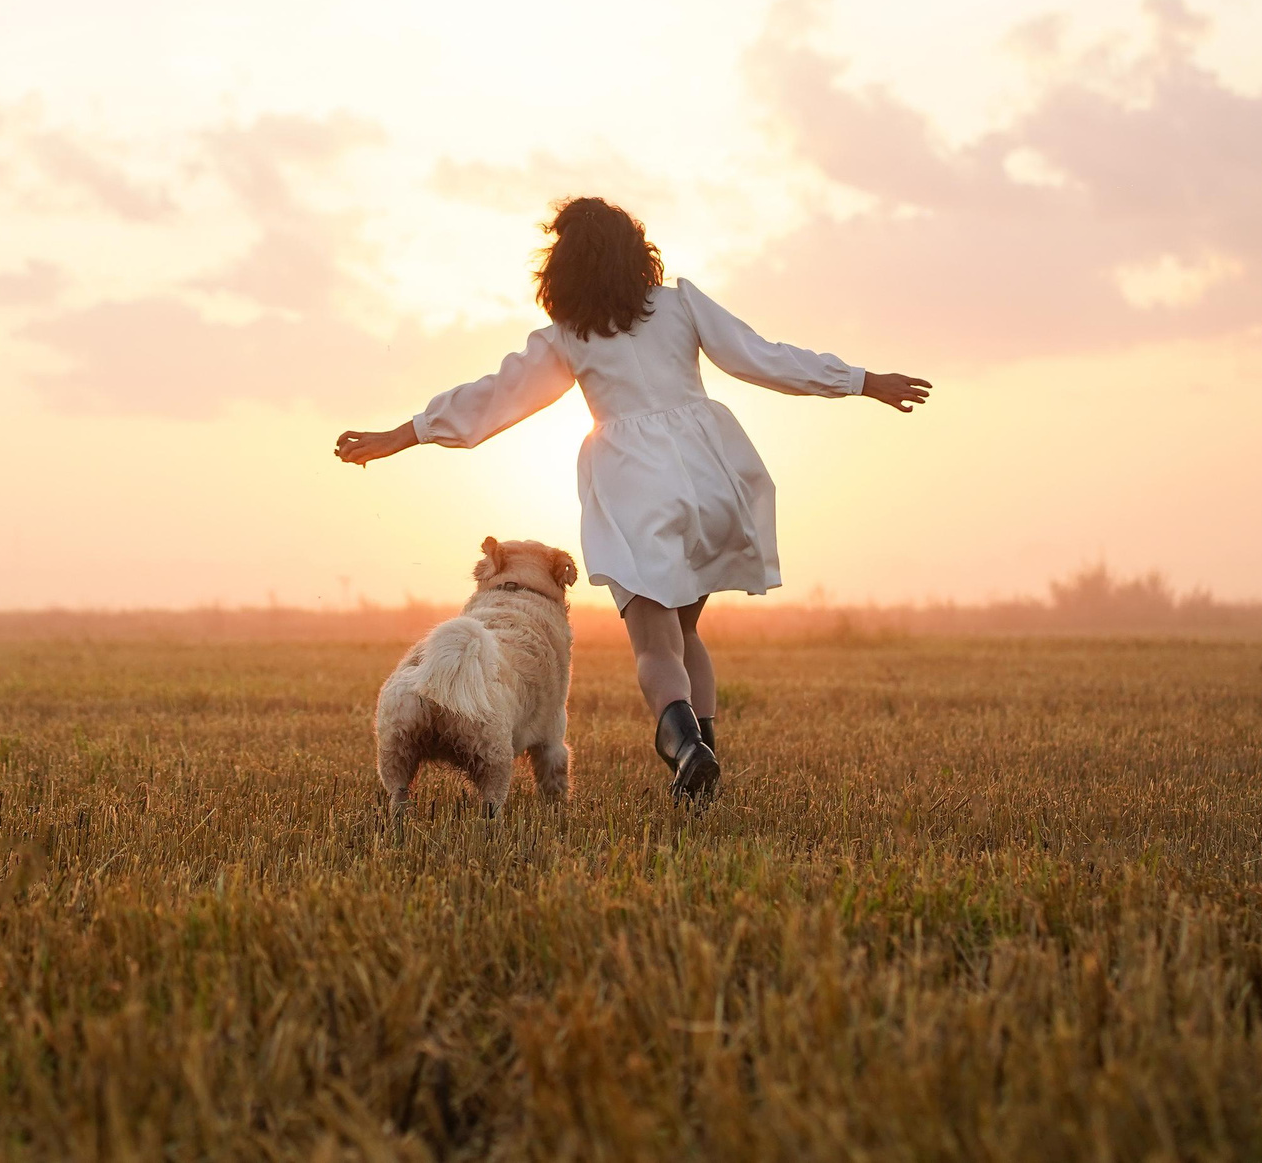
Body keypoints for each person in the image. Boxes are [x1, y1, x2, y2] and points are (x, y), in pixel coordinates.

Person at [333, 197, 929, 805]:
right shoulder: (681, 304)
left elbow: (493, 398)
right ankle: (702, 772)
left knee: (655, 645)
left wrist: (401, 435)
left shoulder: (568, 337)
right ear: (635, 251)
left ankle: (687, 752)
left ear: (560, 267)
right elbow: (764, 357)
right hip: (710, 474)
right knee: (687, 633)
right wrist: (860, 381)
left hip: (635, 487)